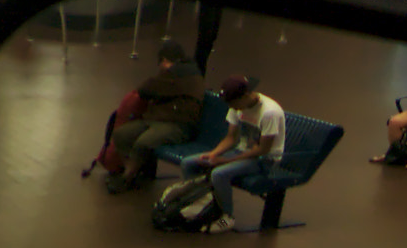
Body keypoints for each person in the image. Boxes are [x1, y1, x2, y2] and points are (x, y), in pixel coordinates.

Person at [184, 74, 286, 233]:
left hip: (265, 160)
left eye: (234, 104)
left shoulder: (269, 113)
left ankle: (227, 217)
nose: (234, 108)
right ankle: (200, 203)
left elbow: (263, 150)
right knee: (189, 163)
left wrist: (224, 161)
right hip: (242, 152)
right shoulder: (236, 106)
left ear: (245, 96)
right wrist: (213, 154)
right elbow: (231, 138)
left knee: (219, 173)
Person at [105, 39, 204, 194]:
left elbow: (145, 89)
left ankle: (127, 177)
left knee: (143, 142)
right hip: (158, 120)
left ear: (164, 60)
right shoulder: (182, 72)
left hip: (179, 126)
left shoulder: (179, 74)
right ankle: (132, 170)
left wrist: (163, 75)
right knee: (121, 134)